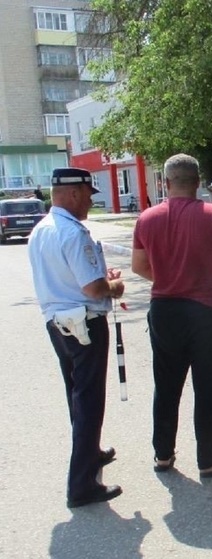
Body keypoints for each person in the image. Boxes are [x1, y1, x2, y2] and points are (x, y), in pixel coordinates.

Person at [131, 153, 212, 477]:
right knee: (208, 388)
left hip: (165, 310)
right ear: (198, 183)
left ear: (165, 183)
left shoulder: (147, 218)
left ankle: (163, 456)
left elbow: (138, 266)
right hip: (206, 311)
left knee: (166, 385)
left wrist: (170, 279)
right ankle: (209, 460)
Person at [28, 167, 125, 508]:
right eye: (86, 195)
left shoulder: (41, 230)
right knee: (89, 400)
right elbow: (94, 288)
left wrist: (100, 278)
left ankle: (90, 453)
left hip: (58, 322)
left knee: (76, 394)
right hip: (84, 322)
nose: (89, 202)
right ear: (71, 194)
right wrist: (115, 286)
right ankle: (82, 484)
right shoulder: (73, 232)